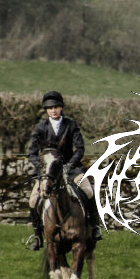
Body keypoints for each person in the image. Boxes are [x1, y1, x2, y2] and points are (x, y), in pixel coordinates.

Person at [25, 91, 103, 249]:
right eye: (50, 108)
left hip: (71, 168)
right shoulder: (40, 128)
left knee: (88, 191)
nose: (53, 110)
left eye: (56, 107)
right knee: (33, 200)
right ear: (46, 110)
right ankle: (37, 235)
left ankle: (94, 226)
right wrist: (43, 168)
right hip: (48, 172)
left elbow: (80, 149)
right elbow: (31, 153)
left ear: (61, 108)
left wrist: (70, 165)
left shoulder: (71, 125)